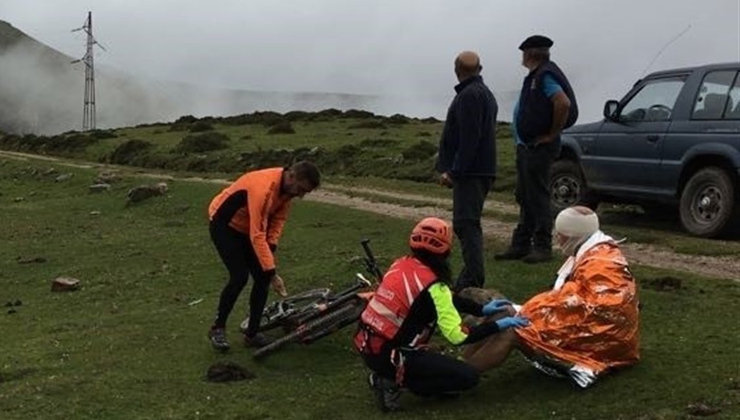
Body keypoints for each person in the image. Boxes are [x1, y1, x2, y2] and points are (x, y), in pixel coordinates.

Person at [353, 217, 528, 412]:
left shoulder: (402, 264)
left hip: (368, 343)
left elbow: (446, 299)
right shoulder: (435, 286)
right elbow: (458, 336)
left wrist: (481, 310)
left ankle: (392, 374)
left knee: (443, 366)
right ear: (445, 251)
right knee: (467, 377)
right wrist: (499, 325)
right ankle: (391, 381)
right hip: (393, 354)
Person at [464, 206, 640, 388]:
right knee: (502, 313)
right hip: (591, 328)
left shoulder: (600, 264)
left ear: (574, 235)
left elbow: (598, 309)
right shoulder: (593, 253)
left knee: (512, 331)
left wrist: (531, 311)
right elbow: (574, 299)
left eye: (561, 233)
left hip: (601, 343)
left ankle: (463, 376)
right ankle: (460, 366)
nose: (557, 237)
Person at [206, 161, 321, 351]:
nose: (300, 195)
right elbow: (257, 234)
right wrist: (272, 271)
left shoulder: (286, 190)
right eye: (300, 189)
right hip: (225, 225)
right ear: (291, 176)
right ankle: (217, 328)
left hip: (249, 228)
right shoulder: (264, 187)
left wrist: (271, 251)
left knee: (262, 278)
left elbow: (277, 221)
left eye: (304, 192)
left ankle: (252, 334)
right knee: (239, 276)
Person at [496, 35, 578, 264]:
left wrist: (551, 134)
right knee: (526, 195)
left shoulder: (545, 75)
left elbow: (562, 103)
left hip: (538, 147)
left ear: (530, 54)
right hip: (528, 146)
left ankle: (542, 246)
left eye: (524, 52)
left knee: (538, 196)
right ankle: (521, 244)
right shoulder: (538, 75)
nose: (522, 57)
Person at [436, 50, 498, 290]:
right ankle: (471, 276)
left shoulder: (469, 96)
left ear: (456, 70)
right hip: (480, 170)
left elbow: (469, 139)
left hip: (473, 172)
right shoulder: (483, 94)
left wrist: (454, 171)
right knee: (467, 222)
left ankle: (472, 279)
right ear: (479, 69)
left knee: (466, 223)